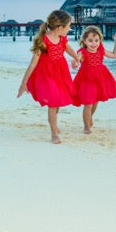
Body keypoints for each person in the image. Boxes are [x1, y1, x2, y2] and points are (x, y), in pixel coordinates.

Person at [17, 10, 81, 144]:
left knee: (57, 102)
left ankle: (54, 124)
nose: (69, 29)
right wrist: (24, 83)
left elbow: (68, 49)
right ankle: (54, 133)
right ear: (60, 28)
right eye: (68, 26)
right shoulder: (43, 41)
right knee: (53, 102)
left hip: (61, 73)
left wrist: (77, 58)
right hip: (46, 75)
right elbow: (33, 63)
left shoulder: (62, 38)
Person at [73, 26, 116, 134]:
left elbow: (114, 55)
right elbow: (77, 58)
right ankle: (86, 127)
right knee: (88, 103)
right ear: (84, 41)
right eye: (90, 41)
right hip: (86, 80)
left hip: (99, 79)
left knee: (95, 102)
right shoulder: (83, 52)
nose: (93, 43)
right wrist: (75, 62)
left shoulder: (100, 51)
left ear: (100, 41)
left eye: (96, 40)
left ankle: (89, 117)